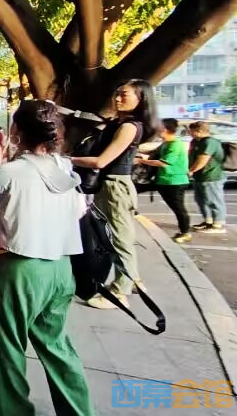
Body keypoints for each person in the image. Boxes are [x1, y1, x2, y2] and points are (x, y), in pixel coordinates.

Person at [0, 101, 92, 416]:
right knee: (56, 344)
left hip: (19, 269)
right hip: (61, 268)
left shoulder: (10, 172)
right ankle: (78, 410)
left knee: (5, 343)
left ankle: (6, 410)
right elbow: (79, 210)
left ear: (16, 131)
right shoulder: (65, 169)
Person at [72, 79, 158, 310]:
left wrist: (66, 159)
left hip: (115, 187)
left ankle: (120, 292)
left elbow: (101, 161)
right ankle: (133, 280)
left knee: (118, 239)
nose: (118, 98)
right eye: (117, 93)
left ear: (141, 99)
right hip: (110, 186)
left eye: (125, 95)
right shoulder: (120, 123)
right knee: (117, 236)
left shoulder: (129, 127)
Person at [135, 118, 191, 243]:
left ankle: (185, 232)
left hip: (174, 182)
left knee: (178, 208)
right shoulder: (166, 143)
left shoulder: (175, 145)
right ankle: (132, 211)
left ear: (164, 129)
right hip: (161, 180)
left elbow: (163, 163)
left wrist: (141, 161)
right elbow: (152, 153)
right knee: (133, 188)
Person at [188, 121, 227, 234]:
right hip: (200, 177)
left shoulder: (210, 142)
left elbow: (202, 160)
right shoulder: (196, 141)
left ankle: (218, 224)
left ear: (199, 131)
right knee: (202, 200)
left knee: (214, 200)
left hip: (212, 177)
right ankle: (208, 221)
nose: (190, 133)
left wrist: (191, 171)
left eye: (192, 131)